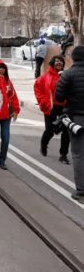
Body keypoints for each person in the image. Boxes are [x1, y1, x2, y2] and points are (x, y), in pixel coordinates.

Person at [55, 46, 84, 203]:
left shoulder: (68, 74)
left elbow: (59, 97)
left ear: (72, 58)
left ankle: (81, 191)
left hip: (77, 118)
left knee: (79, 154)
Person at [34, 55, 70, 164]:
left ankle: (63, 154)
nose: (59, 63)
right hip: (50, 107)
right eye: (57, 61)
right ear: (52, 63)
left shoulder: (66, 76)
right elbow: (37, 88)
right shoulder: (45, 77)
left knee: (66, 131)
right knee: (50, 130)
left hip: (64, 107)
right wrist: (43, 101)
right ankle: (44, 145)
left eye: (61, 62)